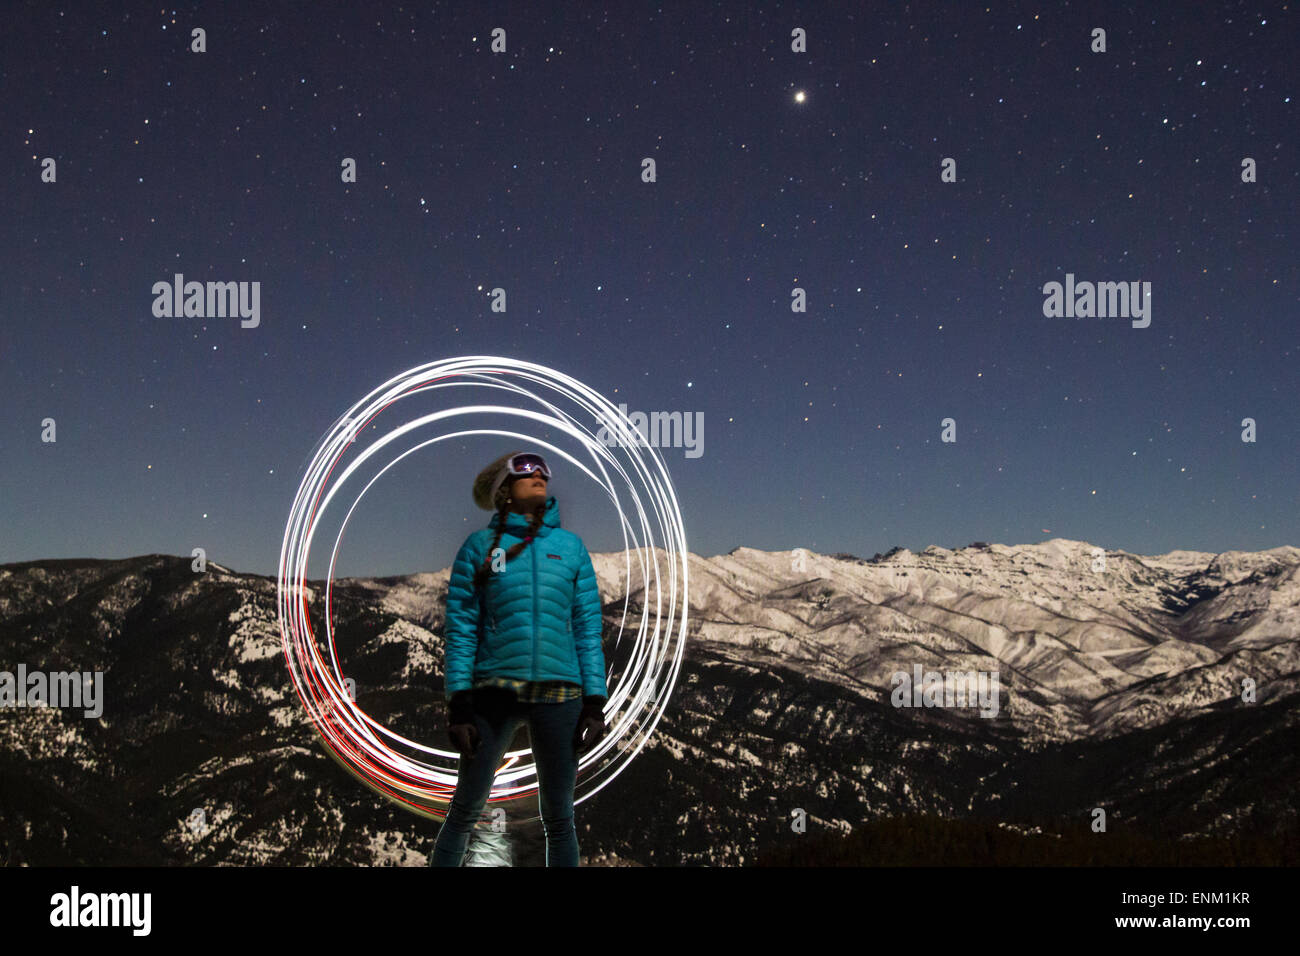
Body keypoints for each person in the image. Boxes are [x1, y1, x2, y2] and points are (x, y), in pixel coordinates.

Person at [430, 450, 609, 867]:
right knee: (464, 811)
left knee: (560, 818)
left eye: (544, 469)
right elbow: (461, 627)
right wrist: (459, 704)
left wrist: (595, 701)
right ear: (504, 491)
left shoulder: (571, 548)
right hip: (493, 695)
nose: (539, 474)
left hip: (561, 695)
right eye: (525, 470)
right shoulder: (479, 548)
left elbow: (586, 626)